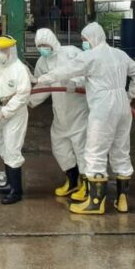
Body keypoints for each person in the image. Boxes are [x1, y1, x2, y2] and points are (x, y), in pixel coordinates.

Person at [37, 22, 135, 215]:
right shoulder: (120, 54)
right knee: (121, 151)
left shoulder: (91, 56)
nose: (84, 43)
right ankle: (122, 200)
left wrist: (43, 79)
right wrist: (129, 96)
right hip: (122, 106)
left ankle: (96, 203)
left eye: (84, 39)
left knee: (94, 152)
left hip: (103, 107)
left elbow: (66, 71)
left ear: (92, 38)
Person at [30, 29, 88, 199]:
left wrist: (74, 83)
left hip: (77, 109)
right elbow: (42, 86)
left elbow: (87, 72)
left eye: (45, 45)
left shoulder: (71, 53)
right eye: (39, 46)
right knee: (59, 146)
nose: (42, 48)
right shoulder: (42, 61)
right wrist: (28, 101)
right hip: (60, 111)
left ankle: (87, 185)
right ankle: (72, 181)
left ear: (53, 42)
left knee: (81, 147)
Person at [0, 35, 32, 205]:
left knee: (12, 148)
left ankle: (16, 190)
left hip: (15, 115)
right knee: (1, 144)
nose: (0, 54)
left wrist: (6, 111)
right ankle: (8, 183)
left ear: (11, 51)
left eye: (4, 50)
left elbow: (23, 95)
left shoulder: (20, 70)